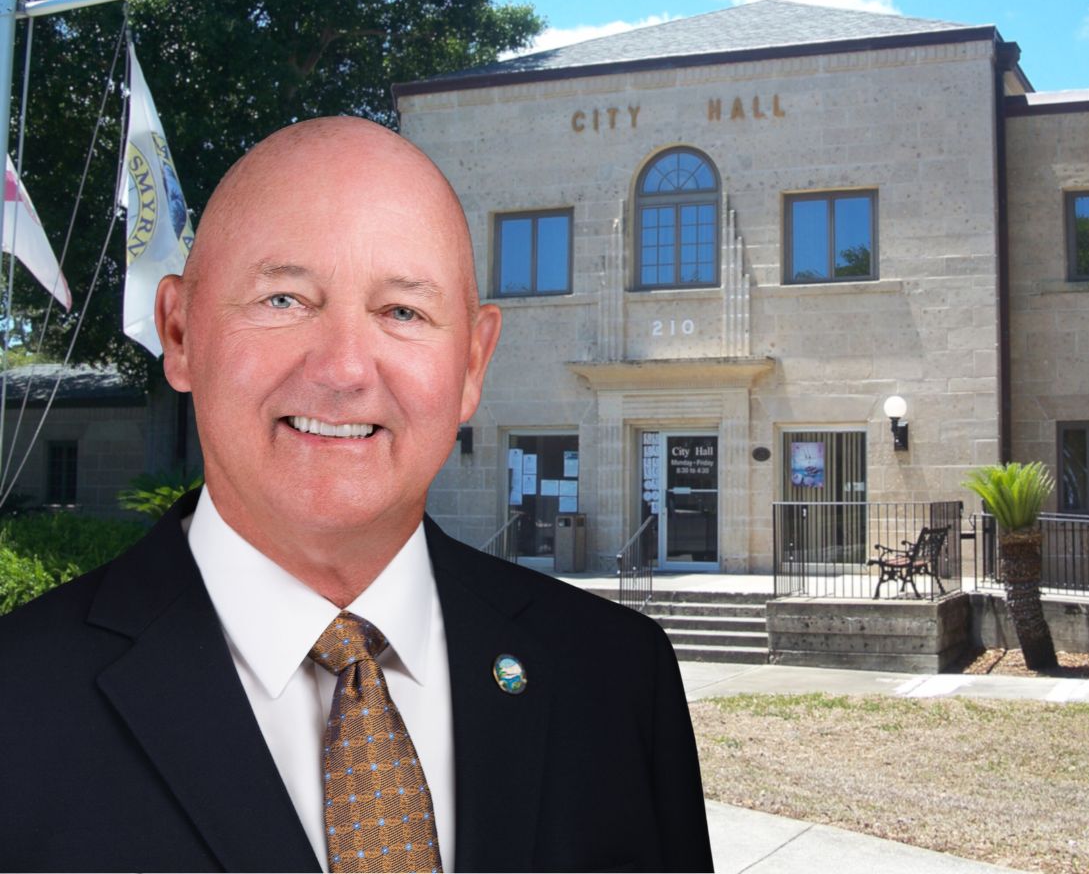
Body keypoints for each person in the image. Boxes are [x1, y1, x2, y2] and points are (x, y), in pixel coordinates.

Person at [0, 117, 713, 873]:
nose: (344, 370)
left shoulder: (616, 679)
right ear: (179, 333)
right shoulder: (18, 701)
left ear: (472, 364)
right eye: (283, 299)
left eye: (402, 312)